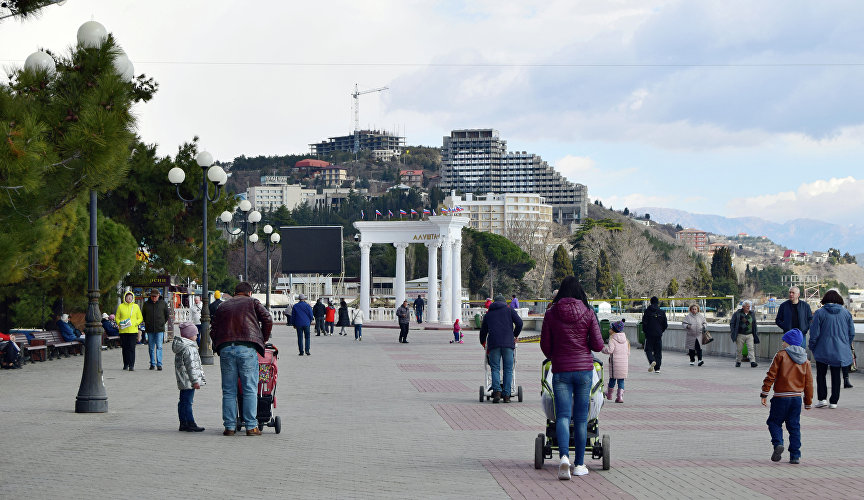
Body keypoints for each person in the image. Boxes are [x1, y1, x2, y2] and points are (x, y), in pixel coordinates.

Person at [540, 277, 604, 480]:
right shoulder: (588, 312)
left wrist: (555, 355)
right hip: (584, 370)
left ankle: (564, 458)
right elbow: (598, 345)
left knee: (563, 416)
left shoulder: (551, 313)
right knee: (581, 418)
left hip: (560, 370)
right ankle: (579, 464)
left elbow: (545, 346)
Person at [210, 281, 272, 436]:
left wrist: (218, 344)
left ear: (235, 293)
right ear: (249, 293)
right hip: (247, 348)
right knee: (249, 388)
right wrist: (262, 340)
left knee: (229, 390)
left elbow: (213, 327)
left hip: (226, 349)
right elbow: (268, 319)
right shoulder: (252, 302)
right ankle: (251, 426)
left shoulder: (223, 306)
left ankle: (229, 427)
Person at [761, 328, 813, 464]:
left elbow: (771, 375)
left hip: (780, 397)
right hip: (796, 398)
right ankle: (795, 455)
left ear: (789, 342)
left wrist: (764, 392)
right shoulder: (805, 359)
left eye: (784, 341)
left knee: (773, 422)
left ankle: (778, 443)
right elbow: (808, 382)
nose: (782, 343)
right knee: (794, 426)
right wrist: (808, 401)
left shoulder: (781, 355)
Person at [808, 290, 855, 409]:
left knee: (821, 374)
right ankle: (834, 401)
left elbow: (814, 333)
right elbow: (852, 333)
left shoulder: (819, 313)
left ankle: (822, 399)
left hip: (822, 348)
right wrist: (845, 344)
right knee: (836, 375)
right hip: (840, 349)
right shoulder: (846, 313)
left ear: (825, 300)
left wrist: (812, 346)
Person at [480, 294, 524, 403]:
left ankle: (497, 392)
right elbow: (519, 323)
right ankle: (507, 395)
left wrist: (483, 342)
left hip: (494, 343)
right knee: (508, 369)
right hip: (508, 343)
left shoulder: (489, 314)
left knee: (495, 368)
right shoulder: (510, 310)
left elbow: (483, 331)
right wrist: (514, 335)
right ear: (505, 302)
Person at [172, 322, 206, 432]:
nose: (197, 336)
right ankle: (190, 422)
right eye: (196, 334)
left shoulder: (181, 346)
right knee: (187, 402)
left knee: (182, 401)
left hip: (183, 379)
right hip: (189, 380)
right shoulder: (189, 348)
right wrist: (195, 381)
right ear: (189, 335)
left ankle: (183, 422)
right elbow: (191, 366)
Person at [602, 320, 629, 403]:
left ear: (613, 329)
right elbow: (628, 352)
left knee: (612, 379)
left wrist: (603, 349)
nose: (609, 329)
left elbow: (610, 350)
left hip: (615, 363)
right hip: (624, 363)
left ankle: (609, 394)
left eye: (611, 328)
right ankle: (620, 397)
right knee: (621, 380)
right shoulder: (626, 340)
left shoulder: (612, 339)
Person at [142, 288, 169, 371]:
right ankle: (152, 363)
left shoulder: (163, 303)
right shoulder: (146, 304)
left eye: (155, 296)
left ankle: (159, 364)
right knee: (151, 347)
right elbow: (144, 315)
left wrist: (162, 323)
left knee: (159, 346)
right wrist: (148, 323)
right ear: (150, 296)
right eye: (152, 296)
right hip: (150, 329)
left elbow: (166, 315)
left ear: (158, 296)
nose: (154, 298)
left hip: (159, 328)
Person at [116, 290, 143, 371]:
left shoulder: (136, 307)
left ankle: (131, 365)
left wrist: (135, 323)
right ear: (125, 298)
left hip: (132, 331)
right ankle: (125, 364)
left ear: (133, 298)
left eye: (130, 297)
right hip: (123, 330)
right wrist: (120, 323)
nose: (129, 298)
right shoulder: (120, 306)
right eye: (127, 297)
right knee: (124, 348)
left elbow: (140, 318)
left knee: (131, 348)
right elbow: (117, 317)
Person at [641, 296, 668, 373]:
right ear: (658, 302)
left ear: (650, 302)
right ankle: (657, 368)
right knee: (658, 351)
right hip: (658, 334)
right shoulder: (661, 312)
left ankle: (652, 360)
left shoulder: (647, 311)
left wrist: (646, 332)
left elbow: (644, 324)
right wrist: (660, 331)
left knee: (648, 349)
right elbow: (665, 325)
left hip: (649, 334)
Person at [730, 300, 760, 368]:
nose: (748, 308)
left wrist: (755, 332)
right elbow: (732, 323)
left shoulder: (752, 314)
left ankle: (753, 361)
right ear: (743, 307)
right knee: (739, 349)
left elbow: (754, 324)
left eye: (749, 306)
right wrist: (733, 331)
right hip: (740, 334)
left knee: (751, 348)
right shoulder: (737, 313)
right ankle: (738, 361)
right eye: (747, 306)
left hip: (750, 334)